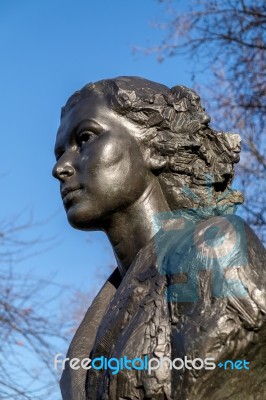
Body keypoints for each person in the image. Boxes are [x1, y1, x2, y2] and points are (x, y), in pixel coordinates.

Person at [53, 77, 266, 400]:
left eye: (85, 138)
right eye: (60, 153)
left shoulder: (215, 249)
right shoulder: (99, 317)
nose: (61, 167)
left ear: (154, 149)